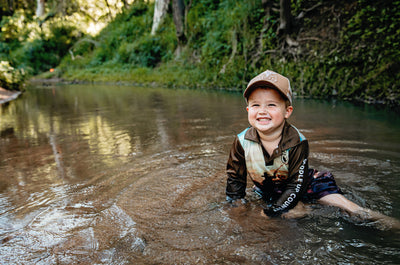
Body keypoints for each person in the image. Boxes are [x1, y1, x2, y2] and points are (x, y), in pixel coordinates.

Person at [225, 69, 400, 228]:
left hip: (305, 184)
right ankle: (303, 208)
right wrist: (236, 204)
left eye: (271, 105)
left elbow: (296, 185)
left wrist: (273, 211)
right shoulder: (241, 141)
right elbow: (235, 177)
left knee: (349, 208)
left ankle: (389, 224)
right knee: (284, 214)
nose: (262, 110)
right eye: (256, 105)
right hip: (271, 188)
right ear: (248, 109)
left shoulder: (297, 142)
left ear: (287, 111)